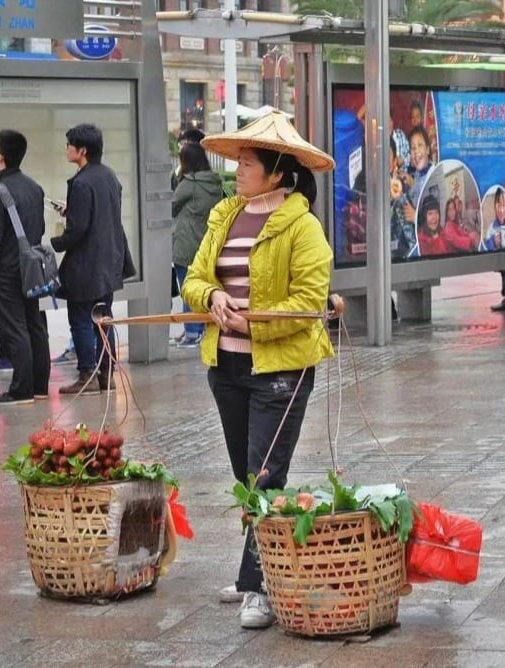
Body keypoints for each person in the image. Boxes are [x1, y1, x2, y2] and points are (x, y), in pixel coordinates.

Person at [182, 111, 336, 630]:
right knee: (244, 475)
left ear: (276, 172)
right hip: (224, 365)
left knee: (265, 475)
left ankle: (259, 584)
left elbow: (308, 300)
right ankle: (261, 563)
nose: (238, 169)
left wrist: (250, 324)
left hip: (279, 369)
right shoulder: (225, 214)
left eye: (248, 162)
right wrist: (214, 296)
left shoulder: (302, 225)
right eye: (239, 160)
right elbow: (195, 278)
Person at [51, 123, 135, 396]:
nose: (66, 149)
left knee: (81, 319)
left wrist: (57, 242)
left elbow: (79, 229)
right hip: (109, 260)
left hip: (87, 264)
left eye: (69, 145)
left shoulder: (83, 181)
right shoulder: (109, 176)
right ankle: (106, 374)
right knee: (103, 318)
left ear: (82, 150)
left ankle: (86, 374)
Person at [0, 129, 51, 405]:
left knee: (14, 328)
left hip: (6, 273)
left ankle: (21, 390)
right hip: (30, 268)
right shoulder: (35, 188)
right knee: (35, 324)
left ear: (1, 156)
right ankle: (40, 385)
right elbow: (40, 228)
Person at [172, 141, 224, 347]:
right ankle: (197, 328)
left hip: (186, 243)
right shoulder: (214, 183)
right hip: (206, 241)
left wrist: (179, 176)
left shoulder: (189, 183)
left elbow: (171, 204)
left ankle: (192, 331)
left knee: (187, 287)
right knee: (202, 286)